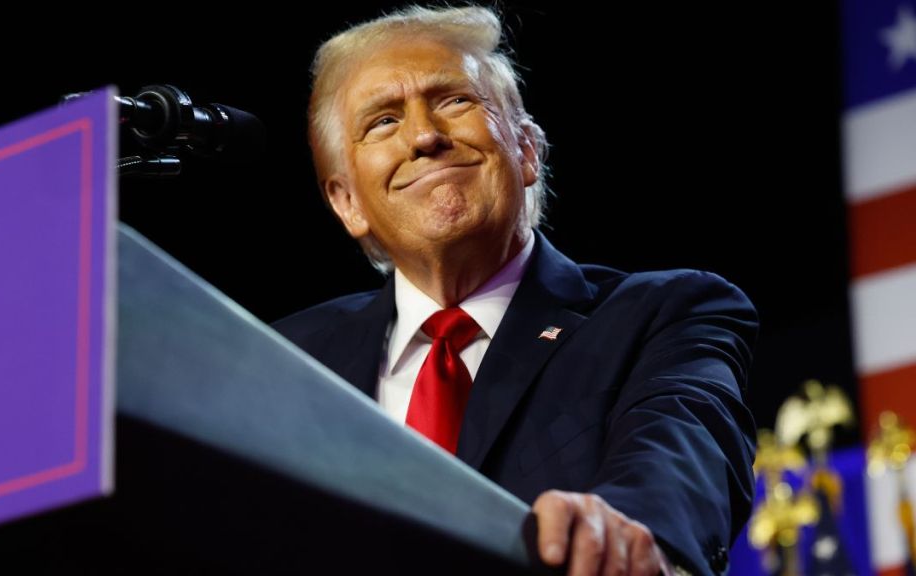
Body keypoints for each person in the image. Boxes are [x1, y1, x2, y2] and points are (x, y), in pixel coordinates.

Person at [275, 5, 757, 575]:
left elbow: (682, 446)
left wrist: (626, 528)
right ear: (347, 202)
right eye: (383, 121)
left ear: (526, 151)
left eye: (454, 100)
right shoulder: (288, 360)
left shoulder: (662, 314)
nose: (425, 136)